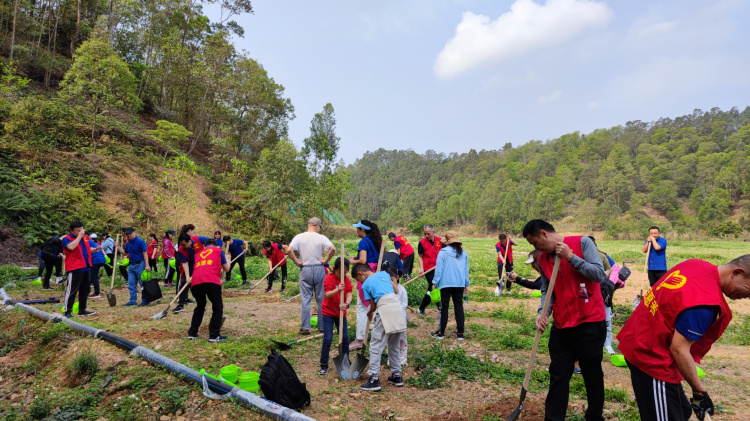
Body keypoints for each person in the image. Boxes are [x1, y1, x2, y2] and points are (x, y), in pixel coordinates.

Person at [617, 255, 750, 421]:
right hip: (650, 357)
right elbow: (679, 350)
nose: (747, 297)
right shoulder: (704, 304)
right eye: (749, 290)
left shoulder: (695, 264)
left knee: (682, 411)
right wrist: (700, 392)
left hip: (640, 336)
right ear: (737, 272)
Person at [522, 219, 608, 421]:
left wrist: (571, 257)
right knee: (558, 374)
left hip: (590, 322)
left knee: (592, 374)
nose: (536, 248)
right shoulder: (543, 259)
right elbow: (547, 289)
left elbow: (598, 275)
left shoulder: (583, 243)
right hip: (562, 325)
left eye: (535, 243)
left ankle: (594, 417)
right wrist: (543, 311)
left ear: (544, 234)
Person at [352, 264, 406, 392]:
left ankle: (374, 379)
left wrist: (370, 313)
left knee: (376, 345)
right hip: (397, 309)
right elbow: (397, 291)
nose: (359, 282)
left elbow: (373, 306)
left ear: (360, 274)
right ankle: (396, 376)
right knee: (394, 345)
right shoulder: (384, 275)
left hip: (385, 310)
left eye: (357, 279)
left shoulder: (365, 285)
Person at [287, 217, 335, 335]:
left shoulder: (299, 237)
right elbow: (333, 249)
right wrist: (325, 260)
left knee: (305, 299)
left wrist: (297, 262)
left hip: (305, 268)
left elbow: (289, 250)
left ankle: (305, 327)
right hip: (319, 268)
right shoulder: (321, 237)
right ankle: (322, 326)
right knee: (321, 298)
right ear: (317, 226)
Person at [187, 239, 230, 342]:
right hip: (210, 281)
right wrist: (228, 258)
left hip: (196, 282)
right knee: (218, 307)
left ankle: (192, 333)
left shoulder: (198, 254)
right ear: (215, 246)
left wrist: (218, 279)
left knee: (200, 306)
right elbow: (227, 268)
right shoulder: (218, 251)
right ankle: (214, 335)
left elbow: (204, 268)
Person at [349, 220, 382, 350]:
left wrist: (353, 261)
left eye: (358, 229)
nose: (357, 231)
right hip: (375, 273)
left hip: (365, 274)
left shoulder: (363, 242)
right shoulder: (375, 241)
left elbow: (362, 260)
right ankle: (377, 335)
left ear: (362, 230)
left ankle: (360, 339)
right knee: (375, 304)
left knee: (362, 307)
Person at [431, 231, 470, 340]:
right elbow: (466, 270)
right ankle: (460, 333)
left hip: (445, 284)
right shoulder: (463, 253)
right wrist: (466, 283)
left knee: (444, 308)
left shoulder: (443, 252)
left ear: (447, 242)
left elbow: (439, 269)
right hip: (459, 284)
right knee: (459, 307)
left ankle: (441, 332)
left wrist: (434, 282)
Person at [318, 257, 353, 375]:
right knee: (327, 339)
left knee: (345, 338)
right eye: (339, 273)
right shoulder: (328, 278)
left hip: (341, 314)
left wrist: (347, 304)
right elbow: (327, 294)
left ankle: (345, 361)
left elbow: (349, 295)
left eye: (344, 273)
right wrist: (338, 289)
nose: (341, 275)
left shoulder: (347, 281)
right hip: (328, 313)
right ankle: (323, 364)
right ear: (334, 269)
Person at [61, 222, 96, 317]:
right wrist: (79, 237)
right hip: (75, 267)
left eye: (82, 229)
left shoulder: (85, 238)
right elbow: (71, 247)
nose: (81, 232)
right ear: (71, 231)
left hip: (86, 266)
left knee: (85, 289)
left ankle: (82, 310)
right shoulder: (66, 239)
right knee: (72, 290)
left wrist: (96, 249)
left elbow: (87, 249)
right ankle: (67, 312)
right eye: (78, 230)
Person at [175, 232, 210, 313]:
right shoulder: (181, 249)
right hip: (189, 267)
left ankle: (201, 305)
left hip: (200, 266)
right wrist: (187, 276)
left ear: (189, 241)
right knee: (184, 282)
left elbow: (211, 242)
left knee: (198, 286)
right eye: (181, 244)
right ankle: (181, 305)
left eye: (184, 245)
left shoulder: (198, 239)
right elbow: (184, 262)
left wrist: (209, 249)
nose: (182, 246)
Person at [117, 227, 151, 307]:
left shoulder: (140, 241)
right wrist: (118, 247)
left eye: (130, 233)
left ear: (134, 232)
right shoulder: (128, 243)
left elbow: (145, 254)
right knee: (131, 283)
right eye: (127, 234)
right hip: (131, 265)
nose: (129, 235)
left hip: (140, 264)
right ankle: (132, 300)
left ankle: (145, 299)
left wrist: (147, 265)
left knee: (142, 283)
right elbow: (125, 253)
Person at [417, 224, 445, 316]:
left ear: (434, 232)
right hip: (428, 269)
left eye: (428, 234)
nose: (426, 236)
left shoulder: (441, 241)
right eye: (425, 234)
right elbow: (420, 257)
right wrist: (421, 269)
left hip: (440, 269)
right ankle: (440, 308)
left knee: (432, 289)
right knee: (434, 287)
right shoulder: (422, 243)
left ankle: (422, 308)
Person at [387, 267, 409, 365]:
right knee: (390, 337)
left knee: (402, 337)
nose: (390, 283)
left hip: (400, 317)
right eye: (388, 281)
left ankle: (403, 356)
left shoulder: (402, 290)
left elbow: (405, 304)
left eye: (392, 280)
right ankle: (391, 357)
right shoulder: (386, 290)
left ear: (397, 277)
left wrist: (396, 308)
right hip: (390, 318)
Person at [87, 233, 107, 299]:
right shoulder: (92, 242)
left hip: (96, 260)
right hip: (101, 260)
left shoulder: (86, 242)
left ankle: (97, 293)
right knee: (91, 276)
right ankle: (86, 291)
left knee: (93, 276)